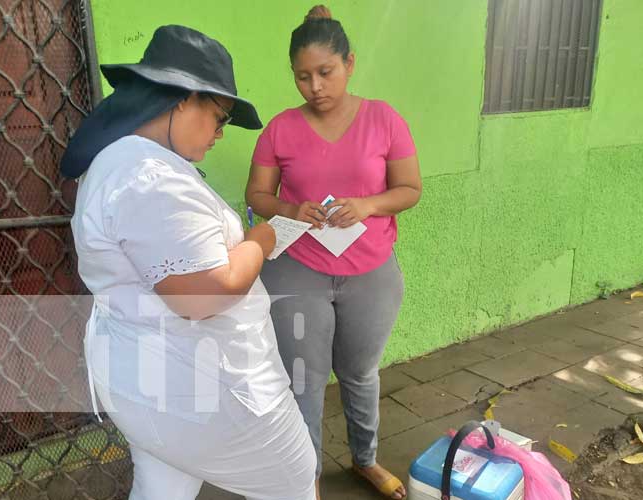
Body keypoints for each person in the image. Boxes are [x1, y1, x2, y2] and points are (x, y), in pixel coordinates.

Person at [62, 25, 316, 500]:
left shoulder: (127, 164)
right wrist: (260, 238)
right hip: (207, 387)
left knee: (163, 487)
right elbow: (203, 295)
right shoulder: (147, 176)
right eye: (219, 117)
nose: (221, 133)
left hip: (157, 382)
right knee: (296, 480)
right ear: (183, 99)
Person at [245, 5, 422, 499]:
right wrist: (289, 207)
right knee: (303, 380)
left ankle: (364, 459)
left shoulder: (384, 119)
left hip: (371, 273)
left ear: (350, 63)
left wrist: (368, 204)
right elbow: (256, 196)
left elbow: (409, 188)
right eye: (303, 77)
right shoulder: (280, 128)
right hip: (297, 271)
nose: (315, 86)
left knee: (361, 373)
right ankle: (308, 476)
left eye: (326, 72)